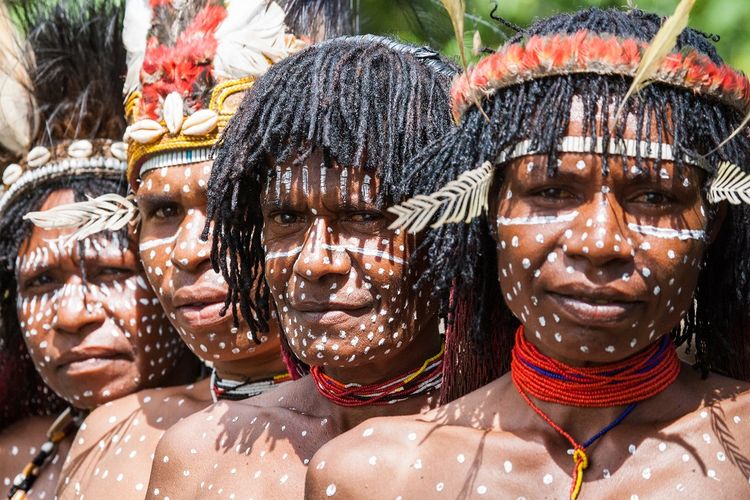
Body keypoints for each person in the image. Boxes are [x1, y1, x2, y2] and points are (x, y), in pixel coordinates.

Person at [305, 7, 750, 499]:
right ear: (488, 209)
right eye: (552, 191)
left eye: (655, 197)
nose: (599, 243)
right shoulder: (375, 474)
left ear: (713, 220)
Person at [34, 1, 354, 498]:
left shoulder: (385, 435)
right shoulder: (114, 434)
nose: (190, 250)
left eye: (225, 202)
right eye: (162, 211)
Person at [144, 35, 455, 499]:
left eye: (364, 217)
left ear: (449, 228)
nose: (314, 262)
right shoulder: (199, 453)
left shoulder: (508, 450)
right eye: (287, 218)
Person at [0, 2, 201, 498]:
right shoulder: (18, 456)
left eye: (110, 271)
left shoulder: (249, 441)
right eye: (40, 281)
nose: (72, 316)